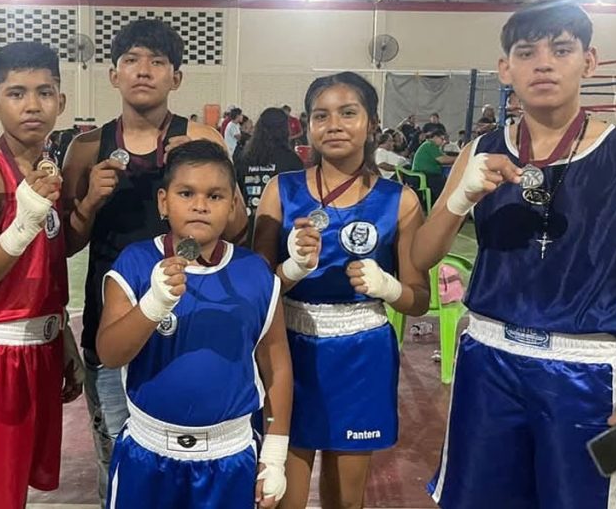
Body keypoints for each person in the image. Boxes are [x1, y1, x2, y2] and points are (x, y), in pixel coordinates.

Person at [415, 2, 616, 509]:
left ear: (588, 61)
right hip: (486, 363)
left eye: (561, 49)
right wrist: (462, 197)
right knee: (475, 500)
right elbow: (421, 255)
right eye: (526, 53)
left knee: (586, 498)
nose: (543, 64)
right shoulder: (480, 150)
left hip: (590, 375)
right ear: (507, 69)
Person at [59, 18, 240, 506]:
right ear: (113, 74)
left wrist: (202, 157)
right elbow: (68, 243)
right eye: (132, 61)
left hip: (193, 323)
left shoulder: (202, 137)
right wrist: (88, 204)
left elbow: (237, 226)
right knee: (117, 460)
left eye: (157, 62)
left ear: (176, 77)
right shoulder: (85, 148)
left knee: (190, 461)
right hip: (114, 326)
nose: (144, 71)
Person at [253, 72, 429, 509]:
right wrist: (290, 269)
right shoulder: (282, 190)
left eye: (348, 113)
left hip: (362, 354)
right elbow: (254, 293)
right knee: (281, 498)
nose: (334, 124)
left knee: (346, 500)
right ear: (307, 126)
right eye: (321, 115)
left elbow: (419, 299)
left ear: (372, 124)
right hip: (288, 350)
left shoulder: (400, 200)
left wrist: (387, 287)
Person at [97, 140, 293, 508]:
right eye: (186, 193)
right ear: (163, 201)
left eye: (215, 196)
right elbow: (110, 353)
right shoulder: (136, 263)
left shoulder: (254, 273)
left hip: (230, 454)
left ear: (234, 205)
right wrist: (152, 305)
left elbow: (277, 364)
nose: (200, 205)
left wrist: (276, 453)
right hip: (148, 451)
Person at [0, 41, 84, 509]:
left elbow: (43, 266)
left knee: (17, 490)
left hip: (42, 348)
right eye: (17, 93)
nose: (32, 105)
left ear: (61, 102)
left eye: (45, 92)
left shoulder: (49, 168)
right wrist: (21, 227)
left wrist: (61, 333)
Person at [235, 107, 304, 239]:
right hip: (281, 231)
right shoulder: (292, 161)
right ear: (285, 129)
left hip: (247, 231)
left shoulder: (243, 158)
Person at [410, 127, 454, 201]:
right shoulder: (430, 145)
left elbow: (444, 157)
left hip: (428, 174)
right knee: (444, 186)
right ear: (435, 137)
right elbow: (442, 160)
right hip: (424, 175)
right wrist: (459, 158)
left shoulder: (434, 147)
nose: (443, 142)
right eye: (442, 139)